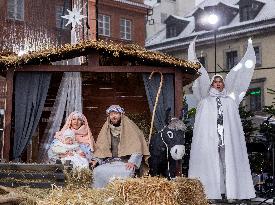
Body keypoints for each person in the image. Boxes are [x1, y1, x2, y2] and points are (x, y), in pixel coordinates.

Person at [188, 39, 256, 200]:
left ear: (223, 84)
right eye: (215, 81)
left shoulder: (230, 102)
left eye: (220, 82)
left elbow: (234, 125)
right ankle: (210, 192)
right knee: (211, 163)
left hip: (227, 139)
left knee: (229, 163)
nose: (218, 84)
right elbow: (201, 126)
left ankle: (233, 192)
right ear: (211, 84)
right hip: (210, 139)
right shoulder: (205, 103)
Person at [91, 105, 150, 188]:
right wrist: (96, 160)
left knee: (126, 172)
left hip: (125, 162)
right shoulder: (106, 129)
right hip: (110, 161)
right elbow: (102, 149)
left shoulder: (130, 128)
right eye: (111, 114)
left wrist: (133, 161)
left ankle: (122, 192)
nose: (113, 116)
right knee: (97, 171)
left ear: (121, 115)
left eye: (116, 114)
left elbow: (137, 148)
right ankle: (102, 193)